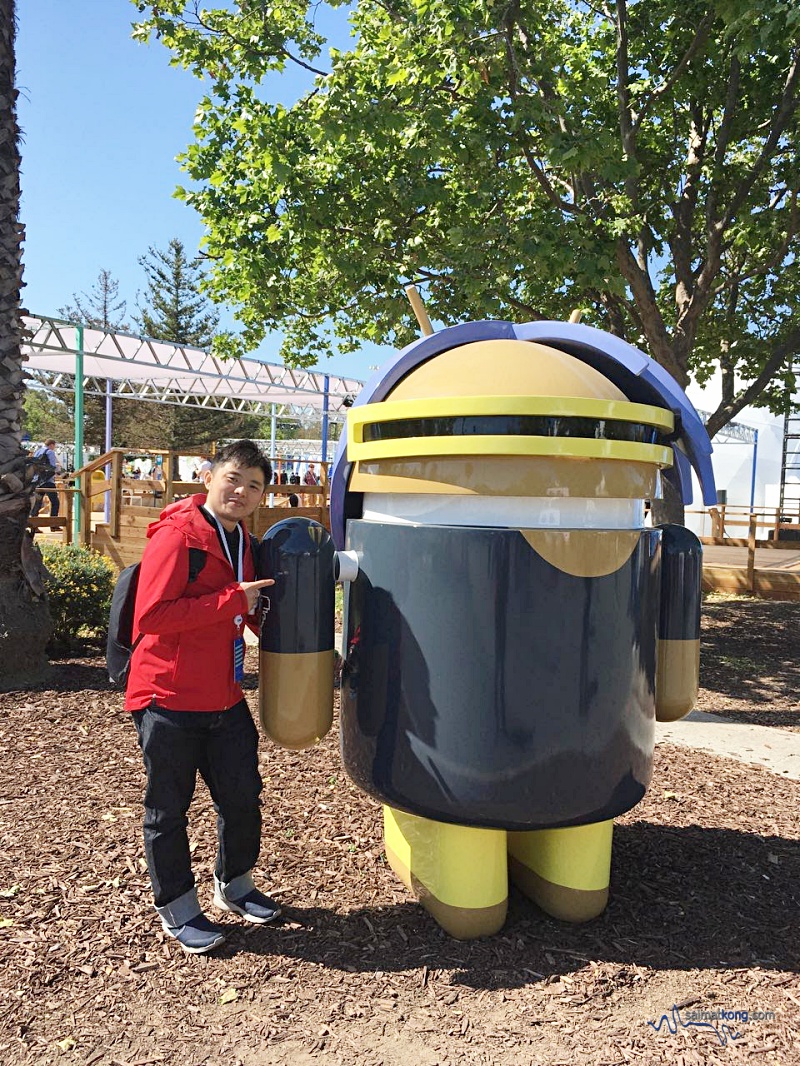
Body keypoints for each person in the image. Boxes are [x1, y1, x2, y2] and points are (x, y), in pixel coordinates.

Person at [126, 440, 277, 954]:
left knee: (242, 798)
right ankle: (178, 908)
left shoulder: (243, 540)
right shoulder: (178, 536)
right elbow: (151, 616)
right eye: (233, 478)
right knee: (168, 810)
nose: (241, 490)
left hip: (224, 696)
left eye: (254, 485)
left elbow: (245, 613)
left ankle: (234, 885)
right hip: (167, 697)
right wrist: (234, 599)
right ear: (209, 476)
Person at [30, 439, 61, 519]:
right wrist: (59, 470)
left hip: (37, 481)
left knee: (37, 503)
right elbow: (52, 466)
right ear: (51, 445)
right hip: (48, 481)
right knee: (55, 502)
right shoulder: (50, 452)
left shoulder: (37, 452)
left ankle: (34, 525)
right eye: (54, 446)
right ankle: (53, 524)